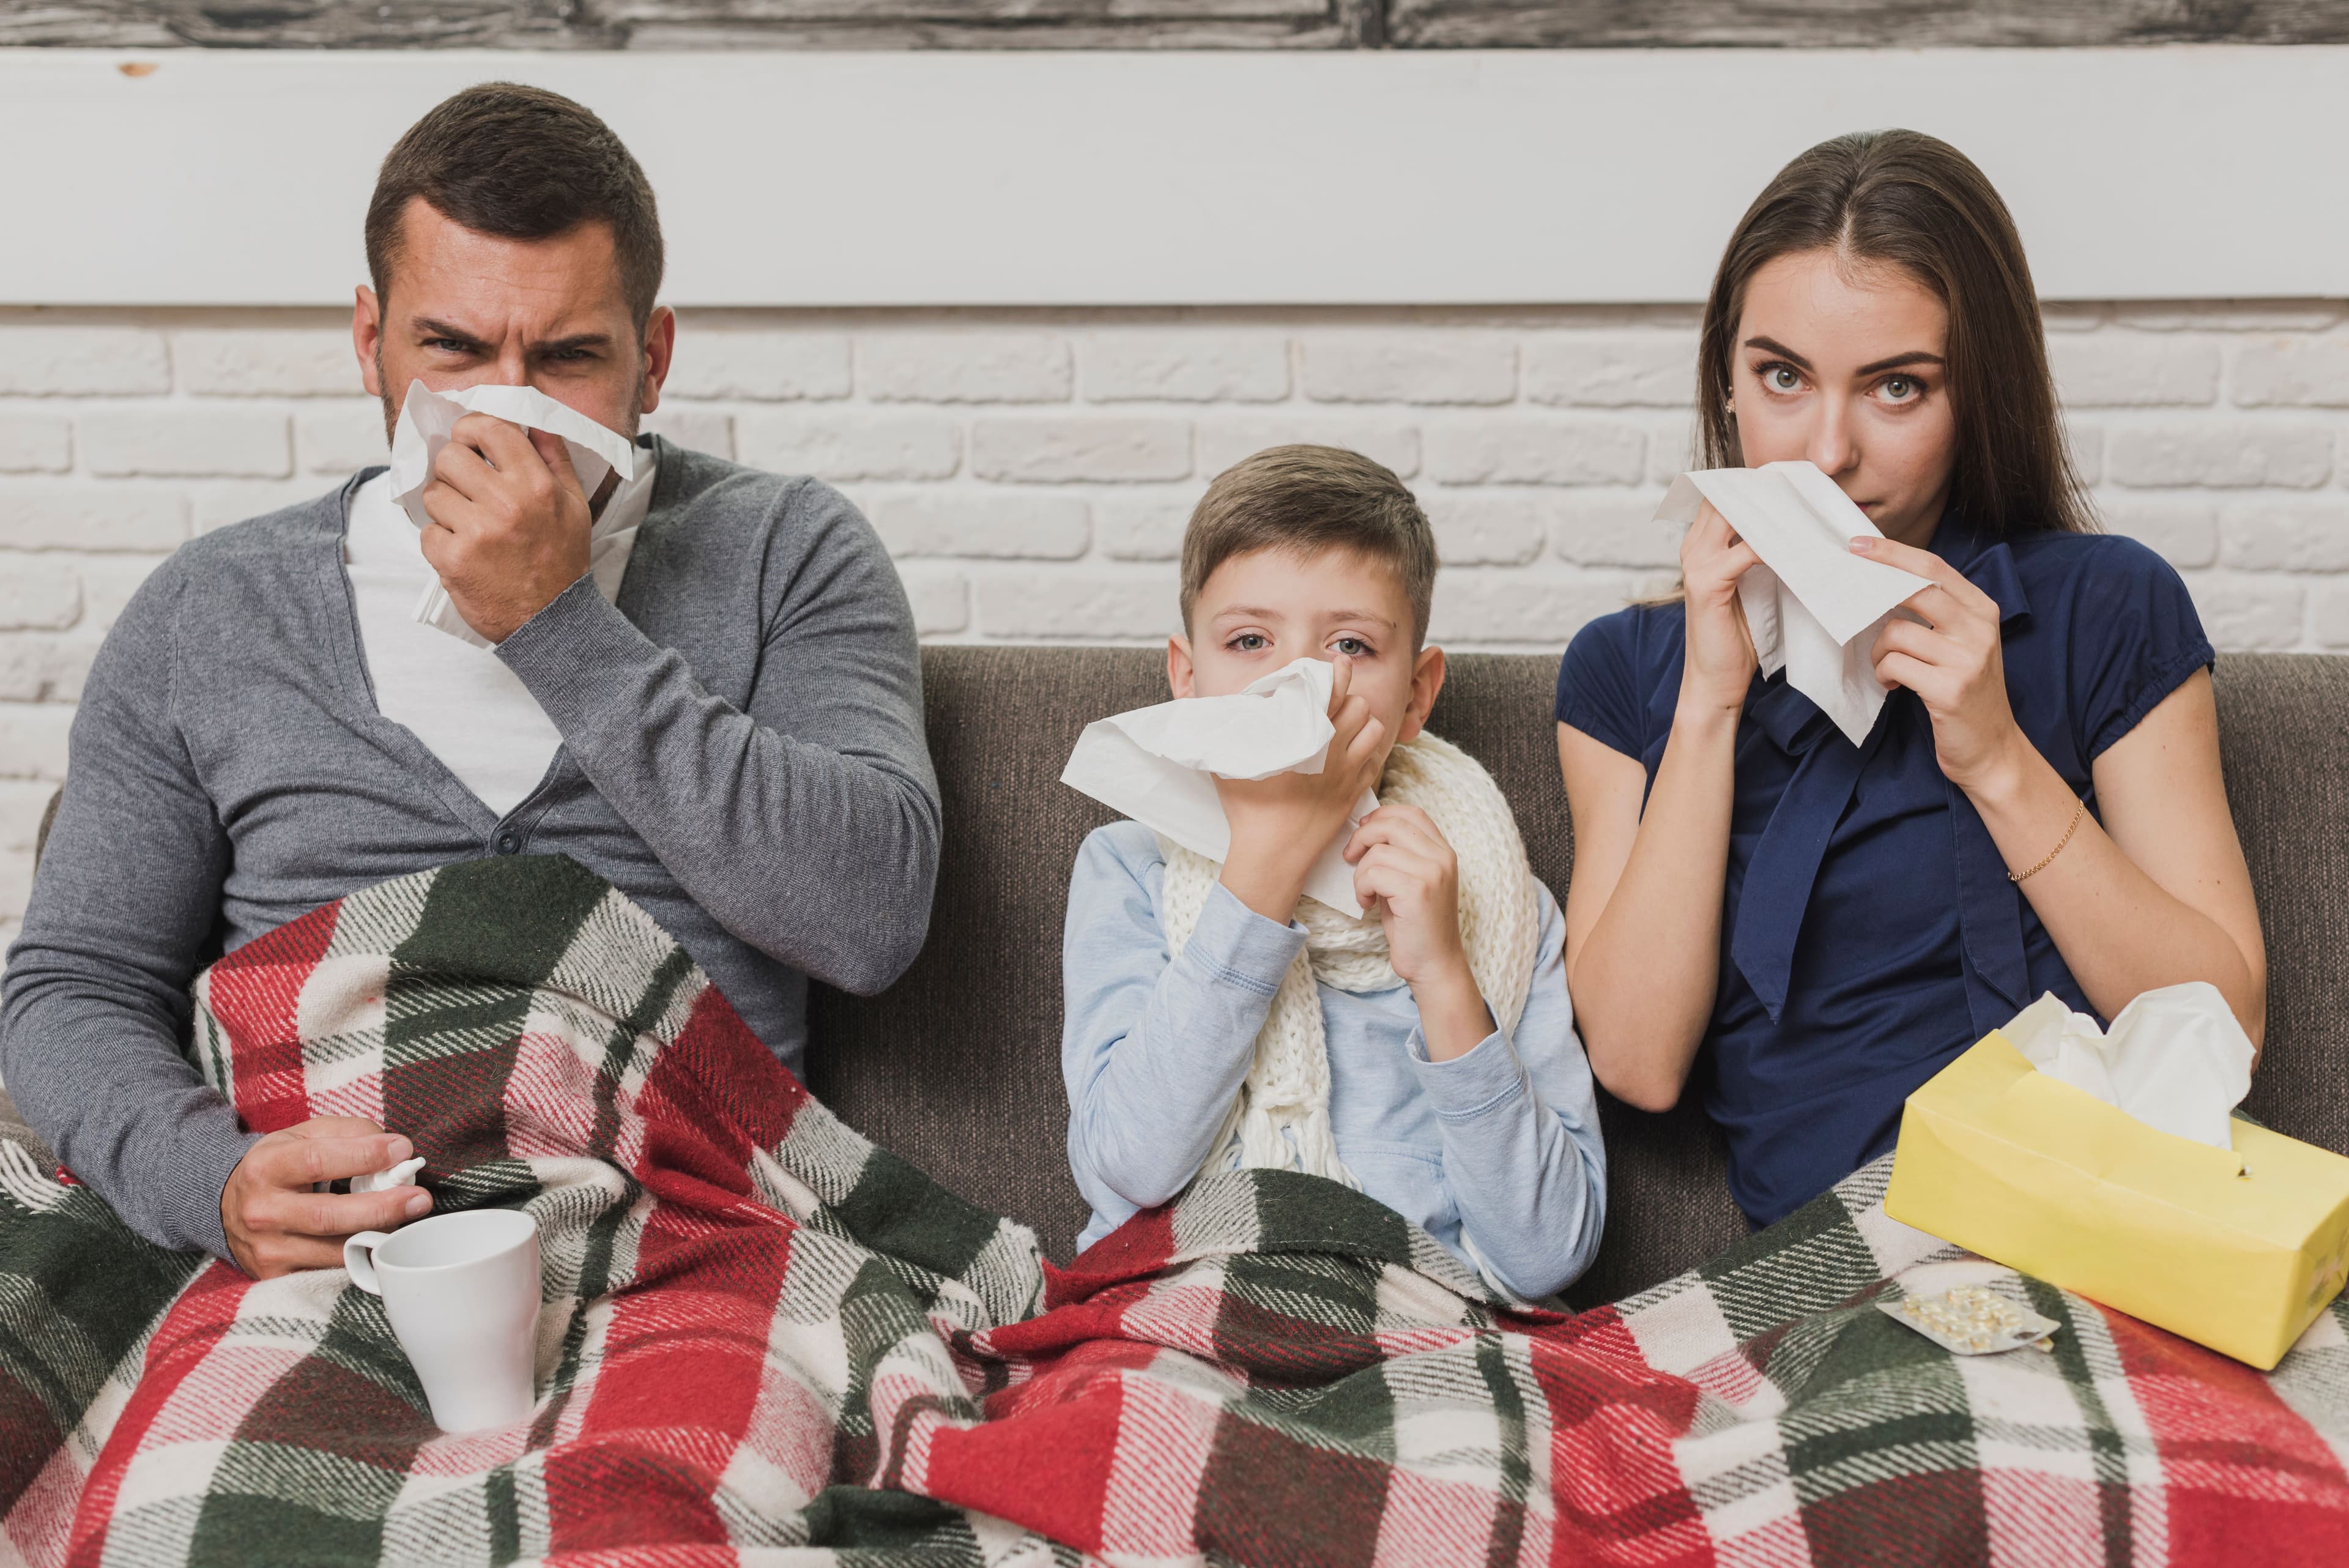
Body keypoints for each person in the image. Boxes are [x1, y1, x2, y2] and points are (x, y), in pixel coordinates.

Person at [0, 84, 940, 1277]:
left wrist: (560, 626)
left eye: (567, 358)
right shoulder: (214, 611)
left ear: (650, 361)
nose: (505, 407)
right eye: (451, 348)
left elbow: (870, 920)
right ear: (369, 341)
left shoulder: (785, 553)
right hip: (333, 1256)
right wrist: (212, 1179)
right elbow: (75, 983)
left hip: (687, 1242)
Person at [1554, 130, 2266, 1229]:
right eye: (1780, 376)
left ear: (1976, 396)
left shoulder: (2107, 604)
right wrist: (1709, 705)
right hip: (1825, 1269)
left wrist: (1997, 758)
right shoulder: (1626, 668)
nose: (1825, 450)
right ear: (1727, 380)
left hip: (2098, 1221)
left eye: (1895, 388)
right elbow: (1640, 1064)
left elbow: (2229, 1022)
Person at [1063, 446, 1607, 1299]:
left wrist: (1442, 973)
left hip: (1417, 1322)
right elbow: (1128, 1174)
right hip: (1183, 1299)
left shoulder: (1502, 902)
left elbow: (1547, 1256)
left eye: (1350, 643)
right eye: (1249, 641)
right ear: (1187, 676)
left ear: (1418, 694)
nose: (1299, 683)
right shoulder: (1128, 868)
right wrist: (1266, 869)